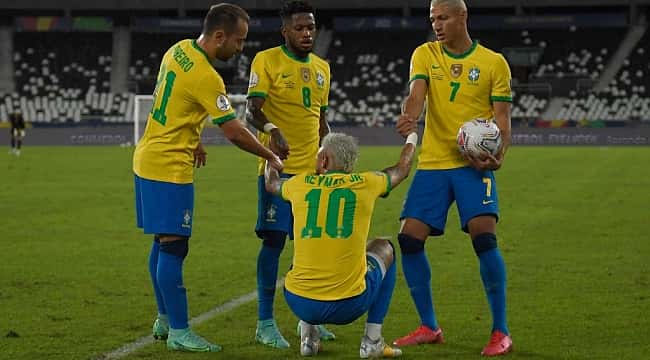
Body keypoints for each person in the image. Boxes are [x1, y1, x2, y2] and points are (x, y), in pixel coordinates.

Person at [133, 3, 283, 353]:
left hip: (148, 156)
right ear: (219, 36)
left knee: (161, 242)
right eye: (239, 40)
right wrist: (270, 154)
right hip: (168, 167)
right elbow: (233, 131)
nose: (241, 48)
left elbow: (173, 103)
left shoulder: (179, 49)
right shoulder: (206, 75)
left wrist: (194, 136)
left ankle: (165, 319)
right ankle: (181, 332)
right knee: (174, 245)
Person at [392, 0, 514, 356]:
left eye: (443, 17)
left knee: (483, 236)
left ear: (463, 16)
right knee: (409, 239)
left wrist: (497, 158)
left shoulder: (493, 62)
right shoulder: (424, 54)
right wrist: (409, 117)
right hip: (432, 163)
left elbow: (502, 119)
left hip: (472, 165)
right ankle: (429, 325)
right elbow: (416, 96)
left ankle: (500, 332)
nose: (437, 25)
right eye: (432, 19)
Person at [264, 132, 418, 358]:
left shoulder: (300, 184)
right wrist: (412, 138)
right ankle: (372, 341)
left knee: (299, 263)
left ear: (324, 159)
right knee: (386, 247)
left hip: (299, 301)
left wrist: (272, 155)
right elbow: (402, 169)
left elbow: (271, 183)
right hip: (349, 305)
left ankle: (308, 337)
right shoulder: (367, 182)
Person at [245, 0, 334, 348]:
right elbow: (252, 110)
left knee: (310, 246)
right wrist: (272, 129)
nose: (307, 32)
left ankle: (308, 318)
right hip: (277, 171)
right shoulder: (266, 60)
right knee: (274, 241)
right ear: (285, 30)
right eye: (300, 27)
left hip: (312, 173)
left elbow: (321, 119)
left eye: (311, 26)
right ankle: (265, 323)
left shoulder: (323, 67)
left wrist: (329, 151)